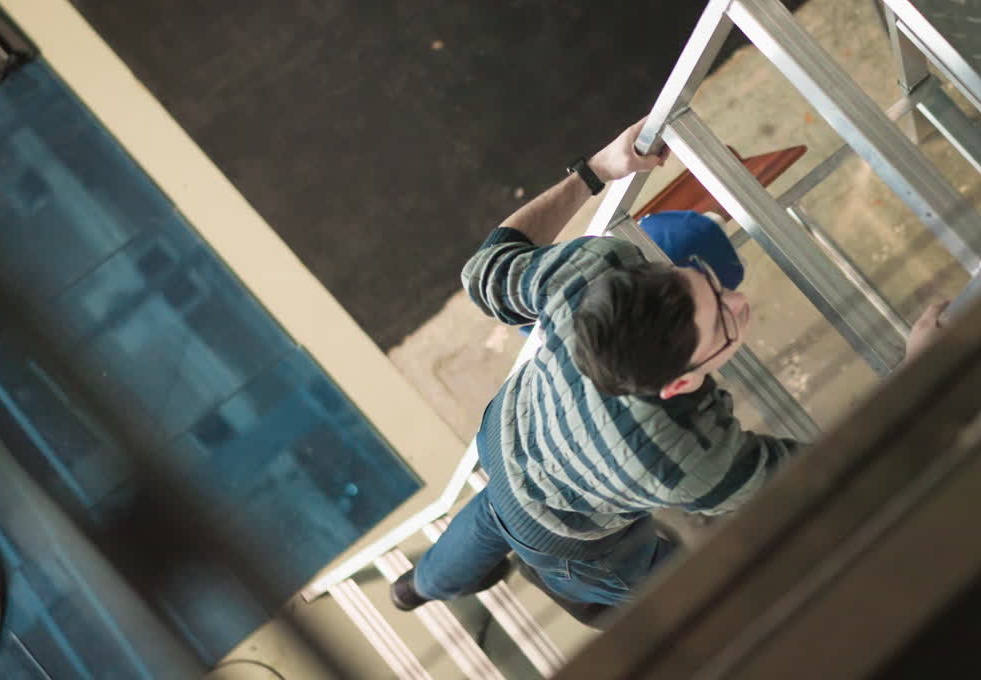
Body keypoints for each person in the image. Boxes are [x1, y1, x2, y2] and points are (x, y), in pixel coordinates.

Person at [390, 118, 946, 625]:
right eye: (724, 323)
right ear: (677, 385)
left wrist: (595, 171)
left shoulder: (589, 272)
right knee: (667, 584)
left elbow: (482, 269)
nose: (741, 302)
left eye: (708, 285)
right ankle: (565, 590)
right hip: (568, 538)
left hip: (504, 438)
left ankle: (418, 587)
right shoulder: (683, 458)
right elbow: (826, 475)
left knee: (492, 512)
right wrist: (917, 375)